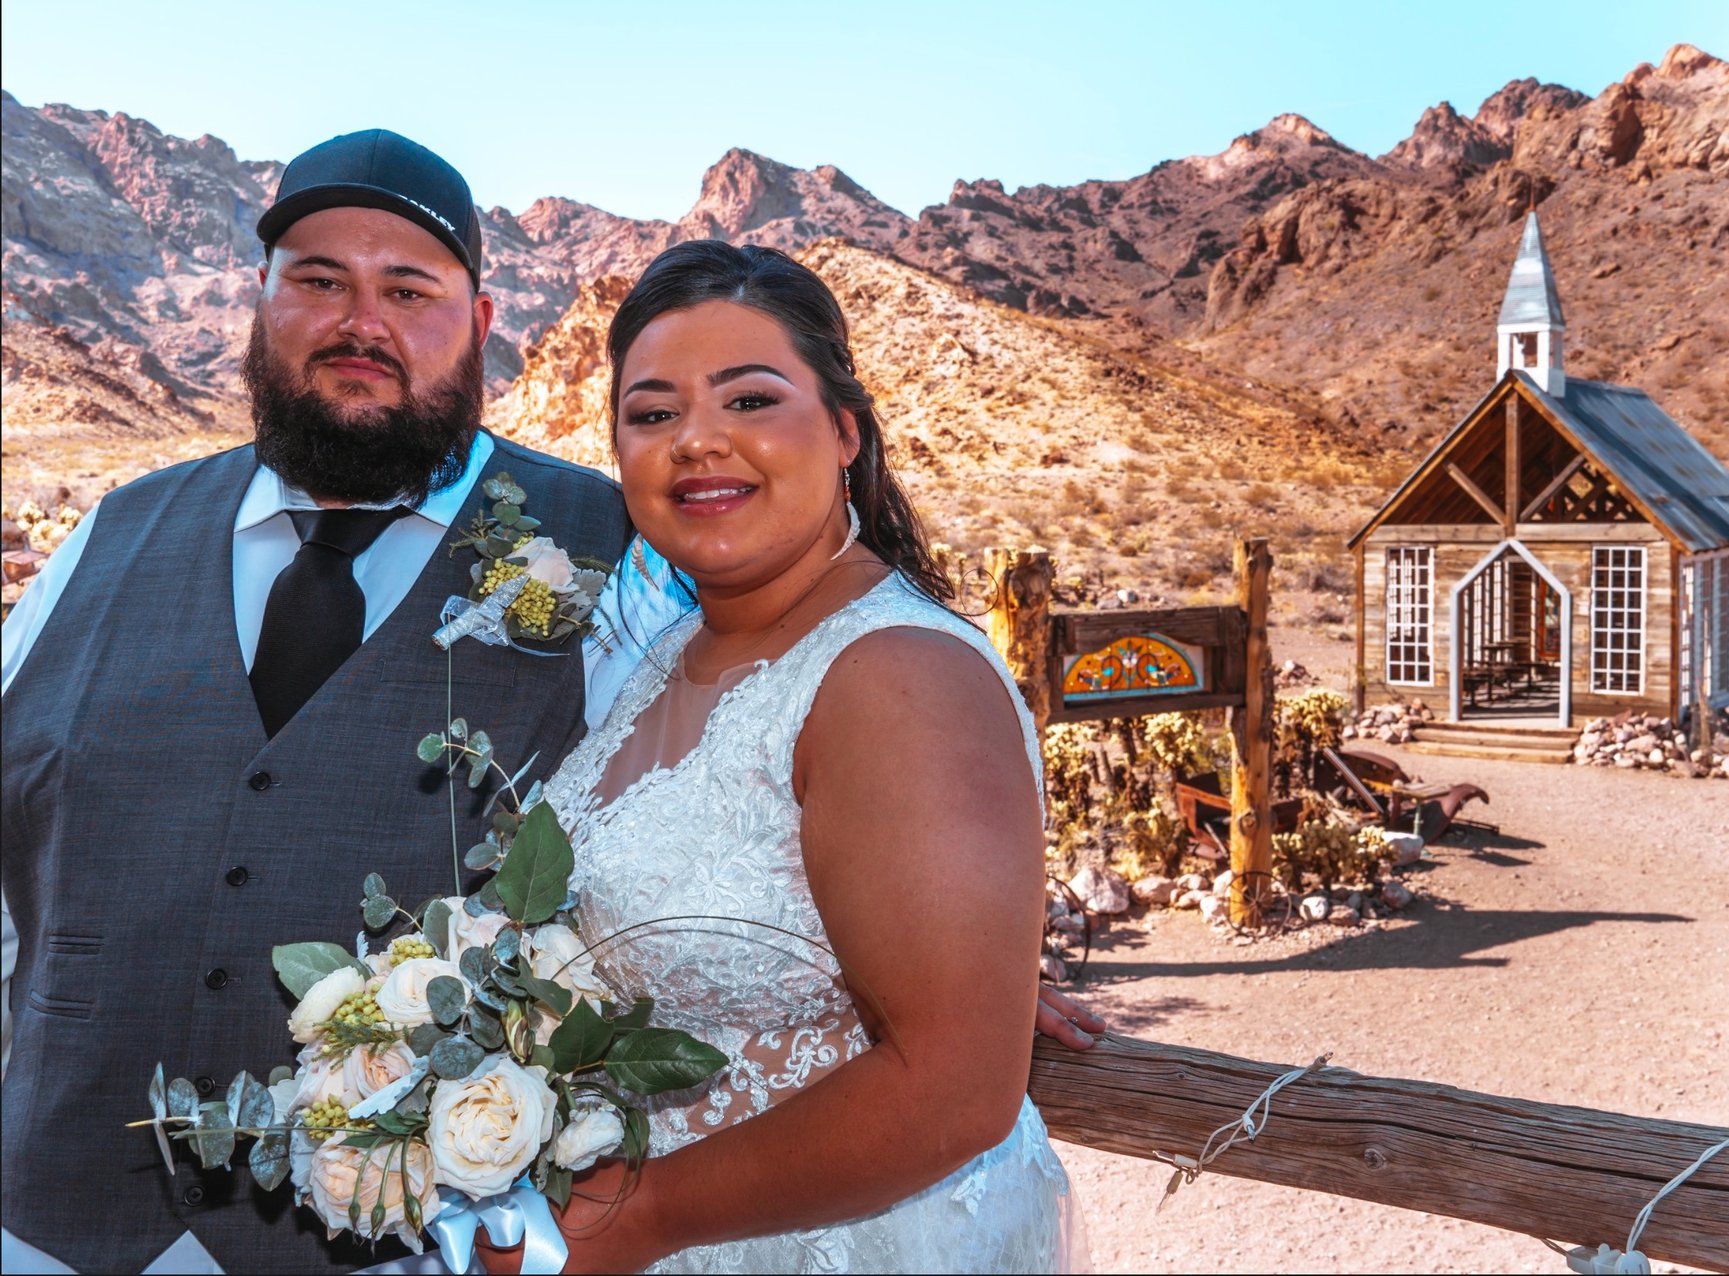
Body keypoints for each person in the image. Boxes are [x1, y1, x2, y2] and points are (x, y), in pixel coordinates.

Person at [0, 132, 1100, 1276]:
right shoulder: (106, 540)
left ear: (482, 326)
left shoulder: (633, 558)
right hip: (53, 1224)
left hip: (420, 1250)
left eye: (409, 289)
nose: (358, 322)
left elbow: (827, 815)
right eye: (318, 279)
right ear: (258, 298)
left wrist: (957, 962)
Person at [501, 242, 1079, 1273]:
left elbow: (956, 1088)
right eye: (652, 413)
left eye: (751, 399)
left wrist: (637, 1217)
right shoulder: (671, 653)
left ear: (847, 430)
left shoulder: (899, 675)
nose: (697, 441)